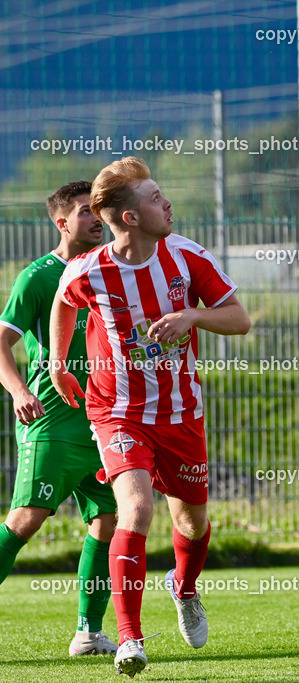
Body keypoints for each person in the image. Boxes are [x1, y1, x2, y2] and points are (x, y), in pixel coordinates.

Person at [49, 157, 251, 676]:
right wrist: (57, 362)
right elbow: (63, 301)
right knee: (136, 510)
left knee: (193, 520)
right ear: (132, 218)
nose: (168, 203)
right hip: (116, 411)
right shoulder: (91, 269)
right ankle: (129, 640)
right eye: (156, 197)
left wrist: (194, 315)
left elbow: (240, 319)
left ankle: (184, 588)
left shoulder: (185, 256)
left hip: (181, 412)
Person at [0, 181, 119, 656]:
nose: (96, 218)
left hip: (103, 421)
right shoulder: (38, 277)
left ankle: (88, 634)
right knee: (26, 520)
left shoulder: (111, 270)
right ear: (61, 222)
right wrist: (18, 390)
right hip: (50, 422)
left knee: (109, 520)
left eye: (100, 211)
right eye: (86, 211)